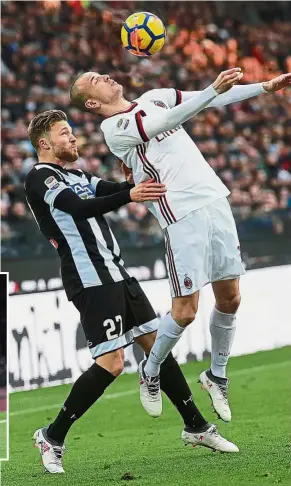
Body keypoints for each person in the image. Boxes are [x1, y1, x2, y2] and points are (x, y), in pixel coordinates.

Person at [70, 69, 291, 422]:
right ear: (93, 102)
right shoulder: (113, 130)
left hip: (214, 198)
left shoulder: (156, 95)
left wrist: (264, 87)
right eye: (95, 80)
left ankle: (217, 375)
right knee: (185, 311)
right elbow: (167, 121)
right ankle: (151, 368)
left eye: (102, 74)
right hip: (180, 214)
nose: (107, 76)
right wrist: (210, 90)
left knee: (230, 297)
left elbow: (214, 97)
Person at [25, 110, 239, 474]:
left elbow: (105, 190)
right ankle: (52, 436)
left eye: (72, 131)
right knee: (112, 363)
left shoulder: (75, 174)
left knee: (156, 345)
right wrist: (131, 196)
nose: (73, 138)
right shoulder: (40, 177)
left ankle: (197, 427)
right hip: (90, 279)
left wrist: (135, 185)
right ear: (45, 143)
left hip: (117, 273)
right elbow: (78, 208)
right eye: (65, 133)